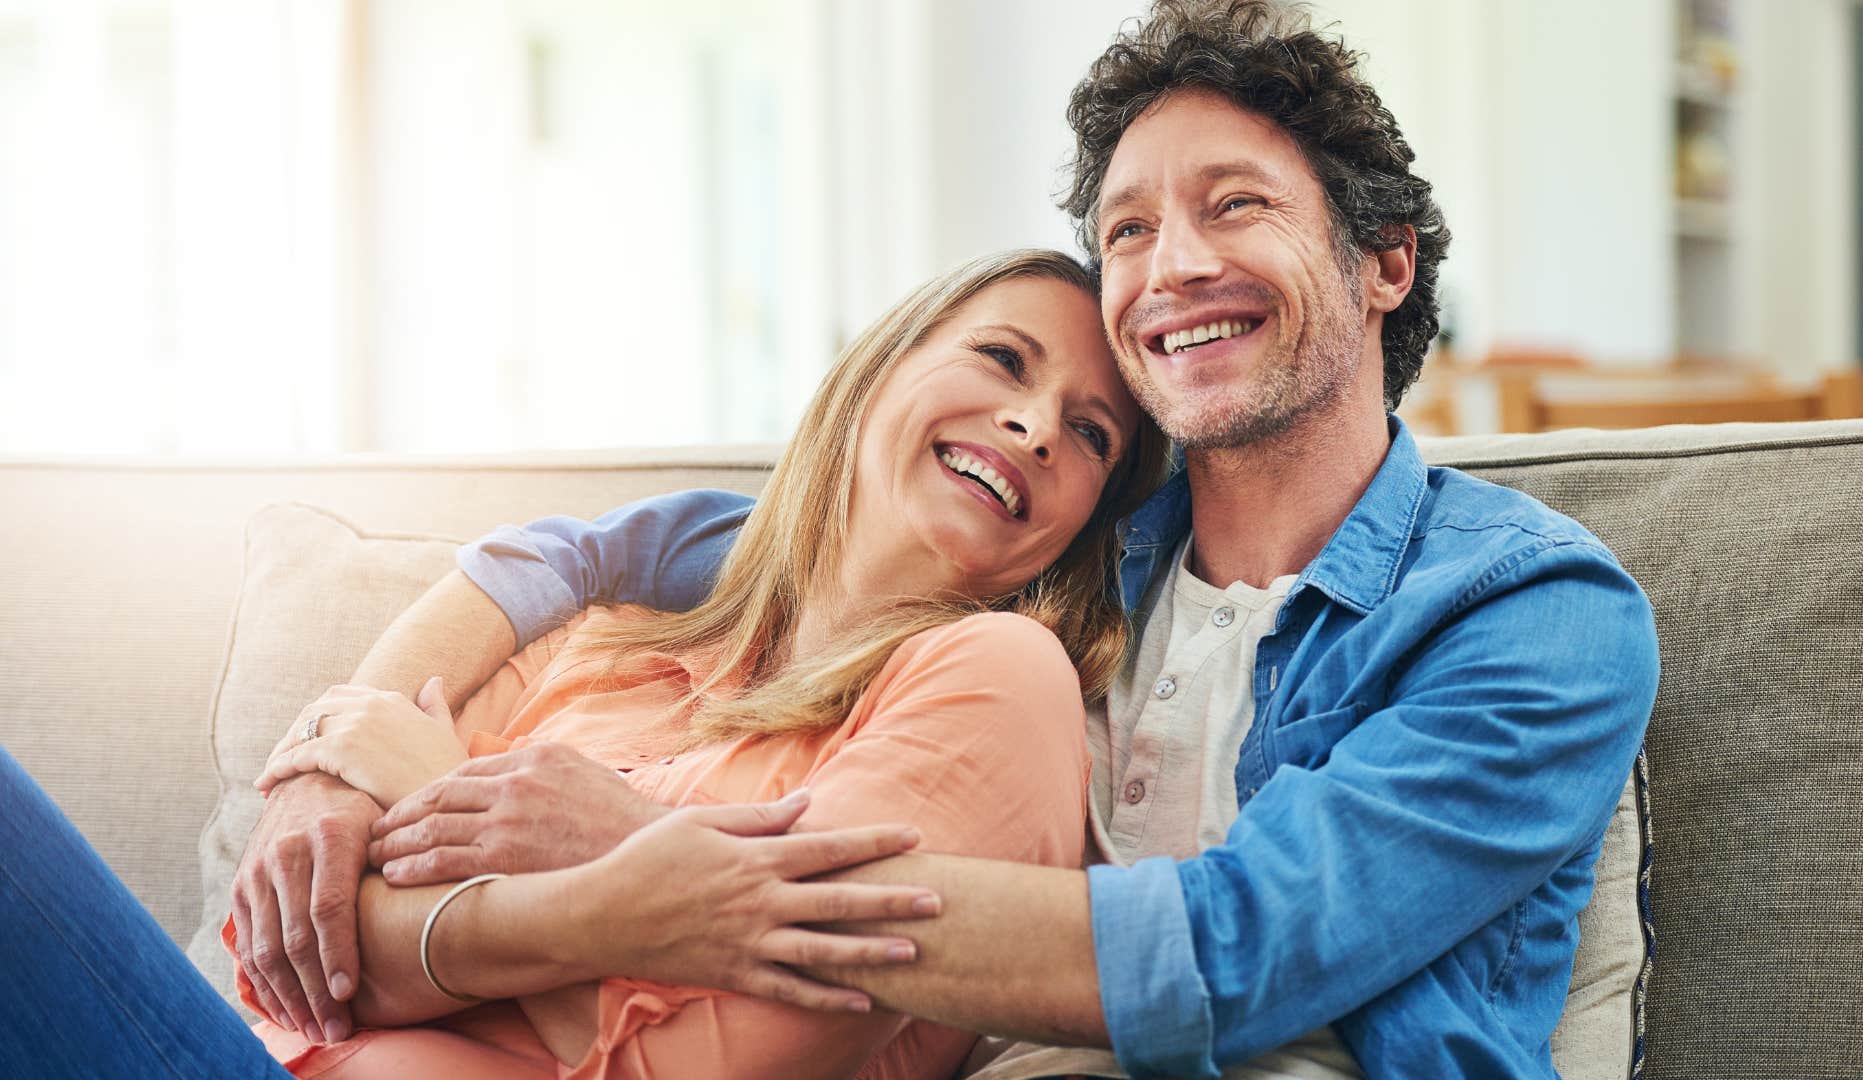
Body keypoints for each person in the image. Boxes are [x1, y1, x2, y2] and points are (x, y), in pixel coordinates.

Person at [242, 3, 1661, 1078]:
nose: (1172, 268)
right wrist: (335, 756)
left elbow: (1237, 951)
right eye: (1127, 231)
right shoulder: (1067, 556)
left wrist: (662, 855)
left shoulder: (1535, 613)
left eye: (1235, 205)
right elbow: (657, 550)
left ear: (1384, 262)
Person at [0, 248, 1168, 1078]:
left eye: (1090, 436)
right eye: (1004, 361)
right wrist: (620, 919)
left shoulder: (998, 680)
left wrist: (521, 859)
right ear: (878, 376)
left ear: (1080, 526)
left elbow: (743, 1059)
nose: (1034, 428)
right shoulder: (606, 645)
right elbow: (317, 962)